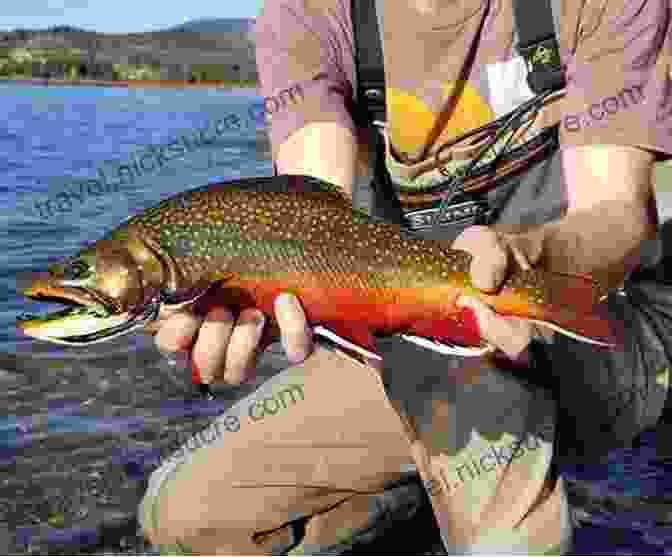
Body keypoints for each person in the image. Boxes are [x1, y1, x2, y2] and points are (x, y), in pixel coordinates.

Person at [138, 0, 672, 554]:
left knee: (477, 434)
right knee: (186, 516)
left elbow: (619, 217)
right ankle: (416, 497)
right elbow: (310, 208)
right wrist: (262, 291)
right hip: (418, 347)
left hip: (597, 321)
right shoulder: (305, 13)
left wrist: (526, 256)